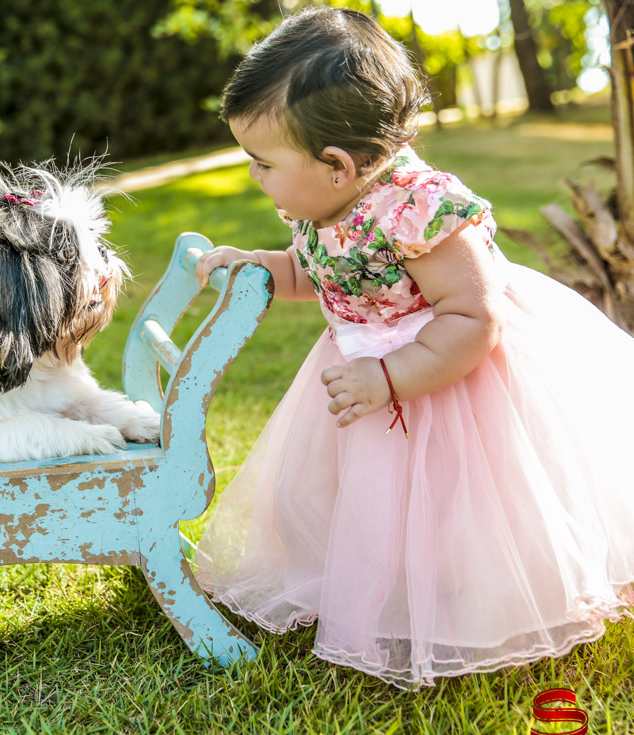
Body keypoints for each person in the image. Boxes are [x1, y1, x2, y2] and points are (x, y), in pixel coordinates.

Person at [192, 6, 634, 688]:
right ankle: (390, 582)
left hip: (451, 375)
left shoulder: (420, 209)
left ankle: (482, 594)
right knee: (368, 496)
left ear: (337, 165)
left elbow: (474, 317)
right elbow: (325, 274)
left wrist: (391, 378)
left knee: (463, 501)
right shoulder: (327, 206)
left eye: (262, 163)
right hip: (373, 370)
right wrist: (259, 265)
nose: (255, 176)